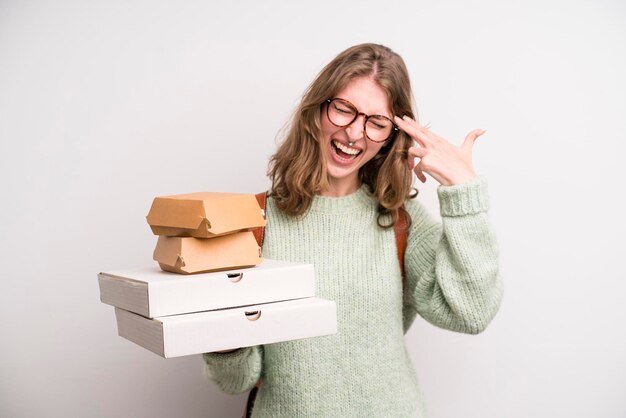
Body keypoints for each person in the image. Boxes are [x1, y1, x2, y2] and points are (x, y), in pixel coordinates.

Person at [202, 43, 503, 417]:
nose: (354, 133)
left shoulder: (401, 220)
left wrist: (462, 190)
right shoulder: (255, 222)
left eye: (376, 122)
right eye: (344, 109)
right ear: (317, 110)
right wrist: (218, 331)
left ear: (391, 136)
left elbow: (471, 314)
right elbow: (237, 379)